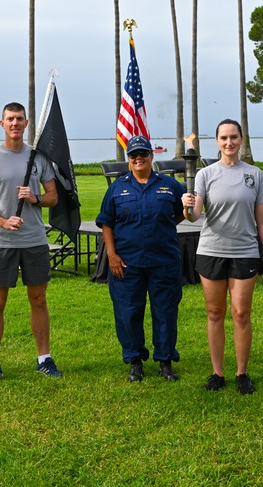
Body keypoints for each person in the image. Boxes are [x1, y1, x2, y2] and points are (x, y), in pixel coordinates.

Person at [0, 102, 63, 385]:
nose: (15, 123)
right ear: (2, 124)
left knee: (39, 299)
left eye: (19, 119)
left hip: (34, 240)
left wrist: (35, 197)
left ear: (26, 124)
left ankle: (44, 359)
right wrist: (3, 222)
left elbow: (53, 197)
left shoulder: (38, 159)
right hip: (2, 242)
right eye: (10, 119)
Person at [182, 119, 263, 395]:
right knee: (214, 313)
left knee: (241, 313)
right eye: (223, 138)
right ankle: (217, 372)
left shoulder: (255, 175)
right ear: (217, 142)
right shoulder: (205, 175)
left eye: (233, 137)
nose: (229, 142)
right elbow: (195, 216)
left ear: (241, 139)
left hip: (245, 252)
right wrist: (187, 208)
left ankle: (242, 373)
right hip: (211, 251)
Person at [96, 135, 186, 383]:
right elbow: (106, 222)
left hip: (163, 260)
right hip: (127, 263)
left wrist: (162, 225)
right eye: (133, 155)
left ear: (151, 156)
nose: (138, 158)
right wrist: (112, 255)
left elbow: (181, 213)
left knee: (165, 312)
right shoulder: (117, 187)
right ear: (129, 160)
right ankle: (135, 361)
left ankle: (165, 361)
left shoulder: (170, 184)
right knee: (128, 312)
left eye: (143, 154)